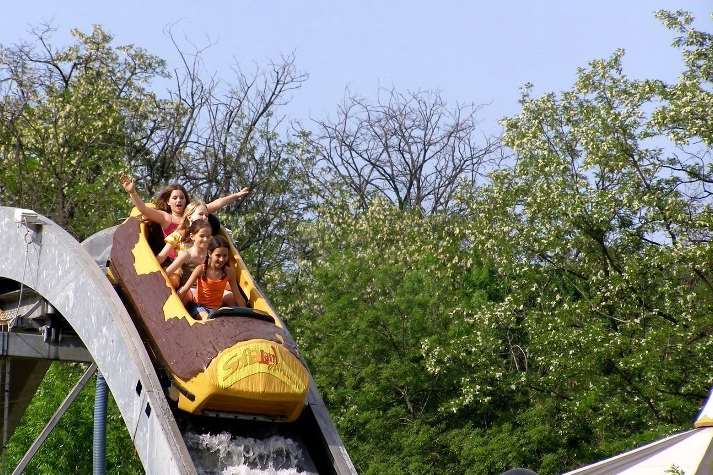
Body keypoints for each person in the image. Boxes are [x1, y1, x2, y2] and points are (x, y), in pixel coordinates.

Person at [120, 175, 250, 258]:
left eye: (182, 197)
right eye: (175, 198)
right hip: (174, 258)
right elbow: (143, 209)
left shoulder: (193, 213)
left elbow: (215, 204)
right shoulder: (166, 218)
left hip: (194, 258)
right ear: (168, 202)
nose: (179, 201)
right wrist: (132, 192)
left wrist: (236, 195)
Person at [178, 235, 246, 320]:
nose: (221, 259)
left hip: (216, 308)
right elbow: (185, 289)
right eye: (218, 255)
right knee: (206, 318)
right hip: (199, 306)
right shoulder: (201, 269)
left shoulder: (229, 272)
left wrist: (246, 313)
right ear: (210, 253)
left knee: (232, 301)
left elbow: (237, 295)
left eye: (225, 256)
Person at [164, 220, 213, 290]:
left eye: (208, 236)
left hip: (206, 288)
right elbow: (167, 272)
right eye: (202, 236)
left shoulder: (210, 253)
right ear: (192, 236)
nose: (205, 239)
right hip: (188, 289)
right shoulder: (187, 255)